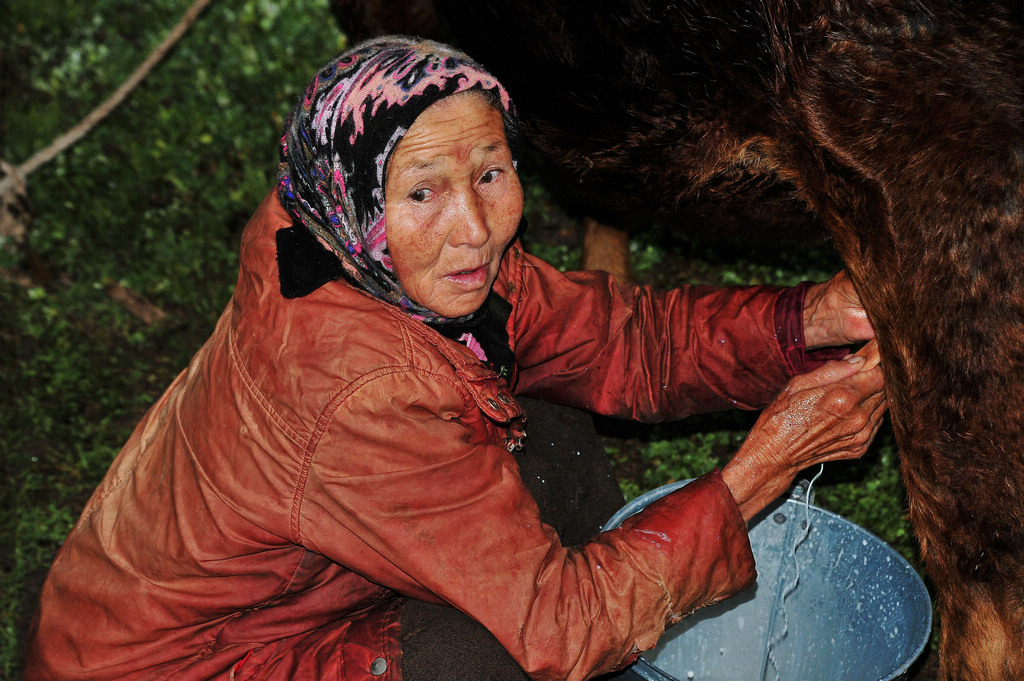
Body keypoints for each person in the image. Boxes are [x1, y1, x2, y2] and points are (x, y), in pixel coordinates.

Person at [25, 36, 885, 681]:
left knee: (546, 423)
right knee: (496, 653)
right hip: (191, 664)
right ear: (358, 199)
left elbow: (621, 340)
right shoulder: (356, 381)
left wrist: (804, 318)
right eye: (425, 191)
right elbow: (561, 629)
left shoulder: (359, 246)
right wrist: (772, 461)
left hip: (273, 597)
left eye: (491, 173)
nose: (473, 230)